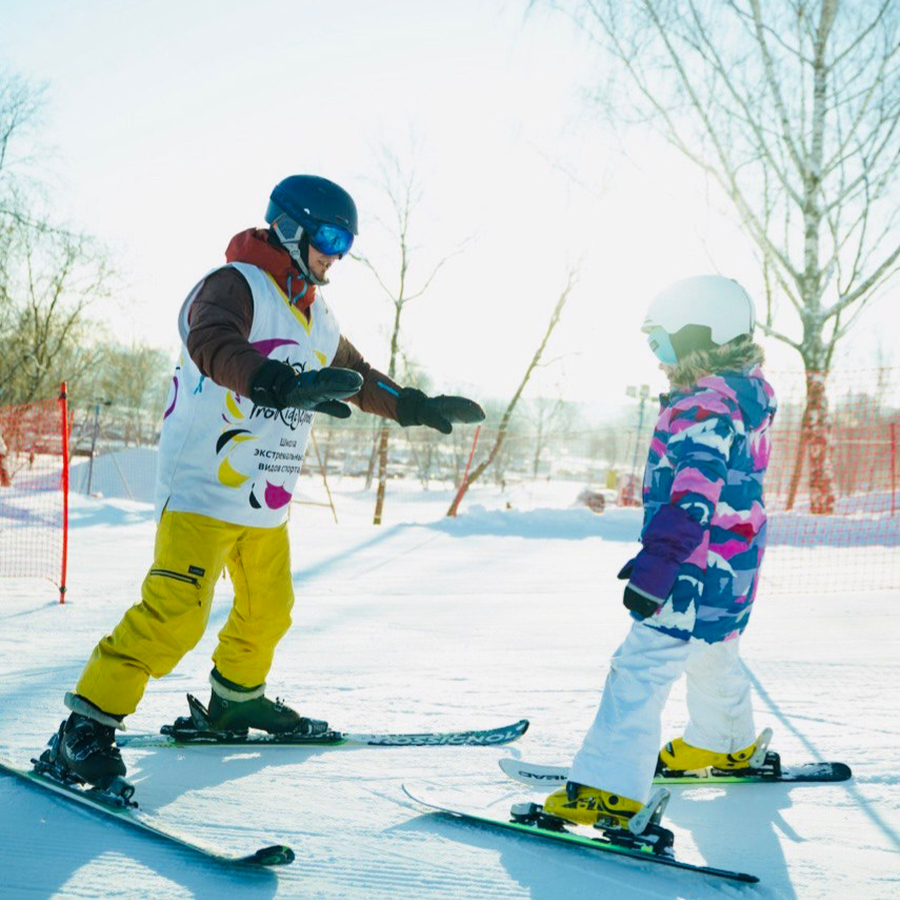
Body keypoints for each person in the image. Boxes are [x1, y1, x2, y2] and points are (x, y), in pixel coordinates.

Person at [47, 174, 485, 788]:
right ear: (290, 227)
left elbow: (355, 374)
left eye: (348, 242)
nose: (338, 254)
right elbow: (211, 341)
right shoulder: (234, 284)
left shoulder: (315, 310)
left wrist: (413, 404)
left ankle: (236, 699)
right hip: (203, 485)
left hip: (265, 496)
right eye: (330, 237)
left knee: (268, 610)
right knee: (174, 616)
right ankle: (84, 727)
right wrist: (277, 383)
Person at [543, 275, 776, 835]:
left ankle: (608, 788)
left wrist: (662, 561)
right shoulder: (744, 395)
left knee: (641, 667)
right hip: (733, 563)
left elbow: (696, 489)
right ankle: (723, 744)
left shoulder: (705, 406)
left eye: (661, 340)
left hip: (690, 565)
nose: (656, 354)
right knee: (714, 653)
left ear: (703, 333)